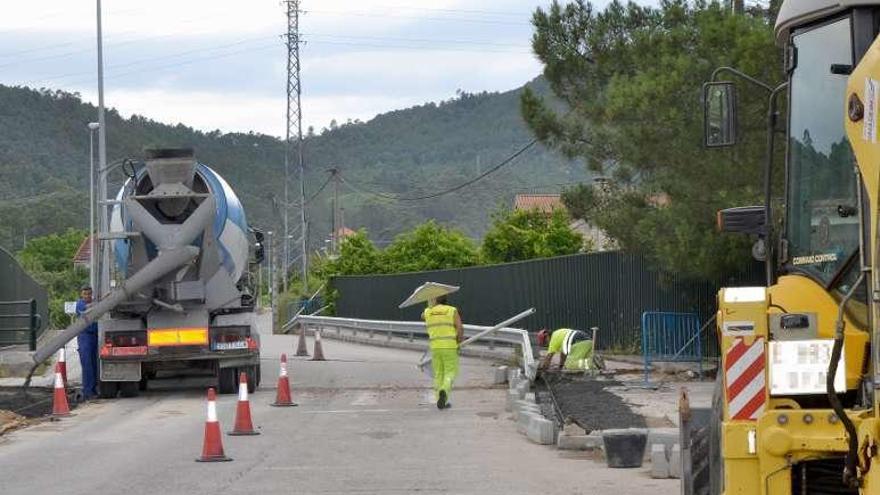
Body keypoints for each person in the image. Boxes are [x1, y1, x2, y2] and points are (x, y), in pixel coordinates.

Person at [422, 295, 463, 409]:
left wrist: (430, 304)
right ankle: (444, 390)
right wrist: (459, 341)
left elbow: (422, 316)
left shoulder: (427, 311)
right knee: (450, 372)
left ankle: (441, 401)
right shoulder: (452, 310)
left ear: (434, 300)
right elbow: (459, 327)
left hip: (435, 347)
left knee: (438, 374)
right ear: (446, 300)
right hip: (450, 346)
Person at [75, 286, 99, 399]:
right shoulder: (80, 304)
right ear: (81, 295)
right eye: (85, 294)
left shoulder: (94, 303)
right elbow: (85, 309)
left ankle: (94, 389)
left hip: (94, 336)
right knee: (87, 364)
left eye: (89, 294)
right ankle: (88, 391)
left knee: (94, 363)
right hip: (84, 337)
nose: (87, 296)